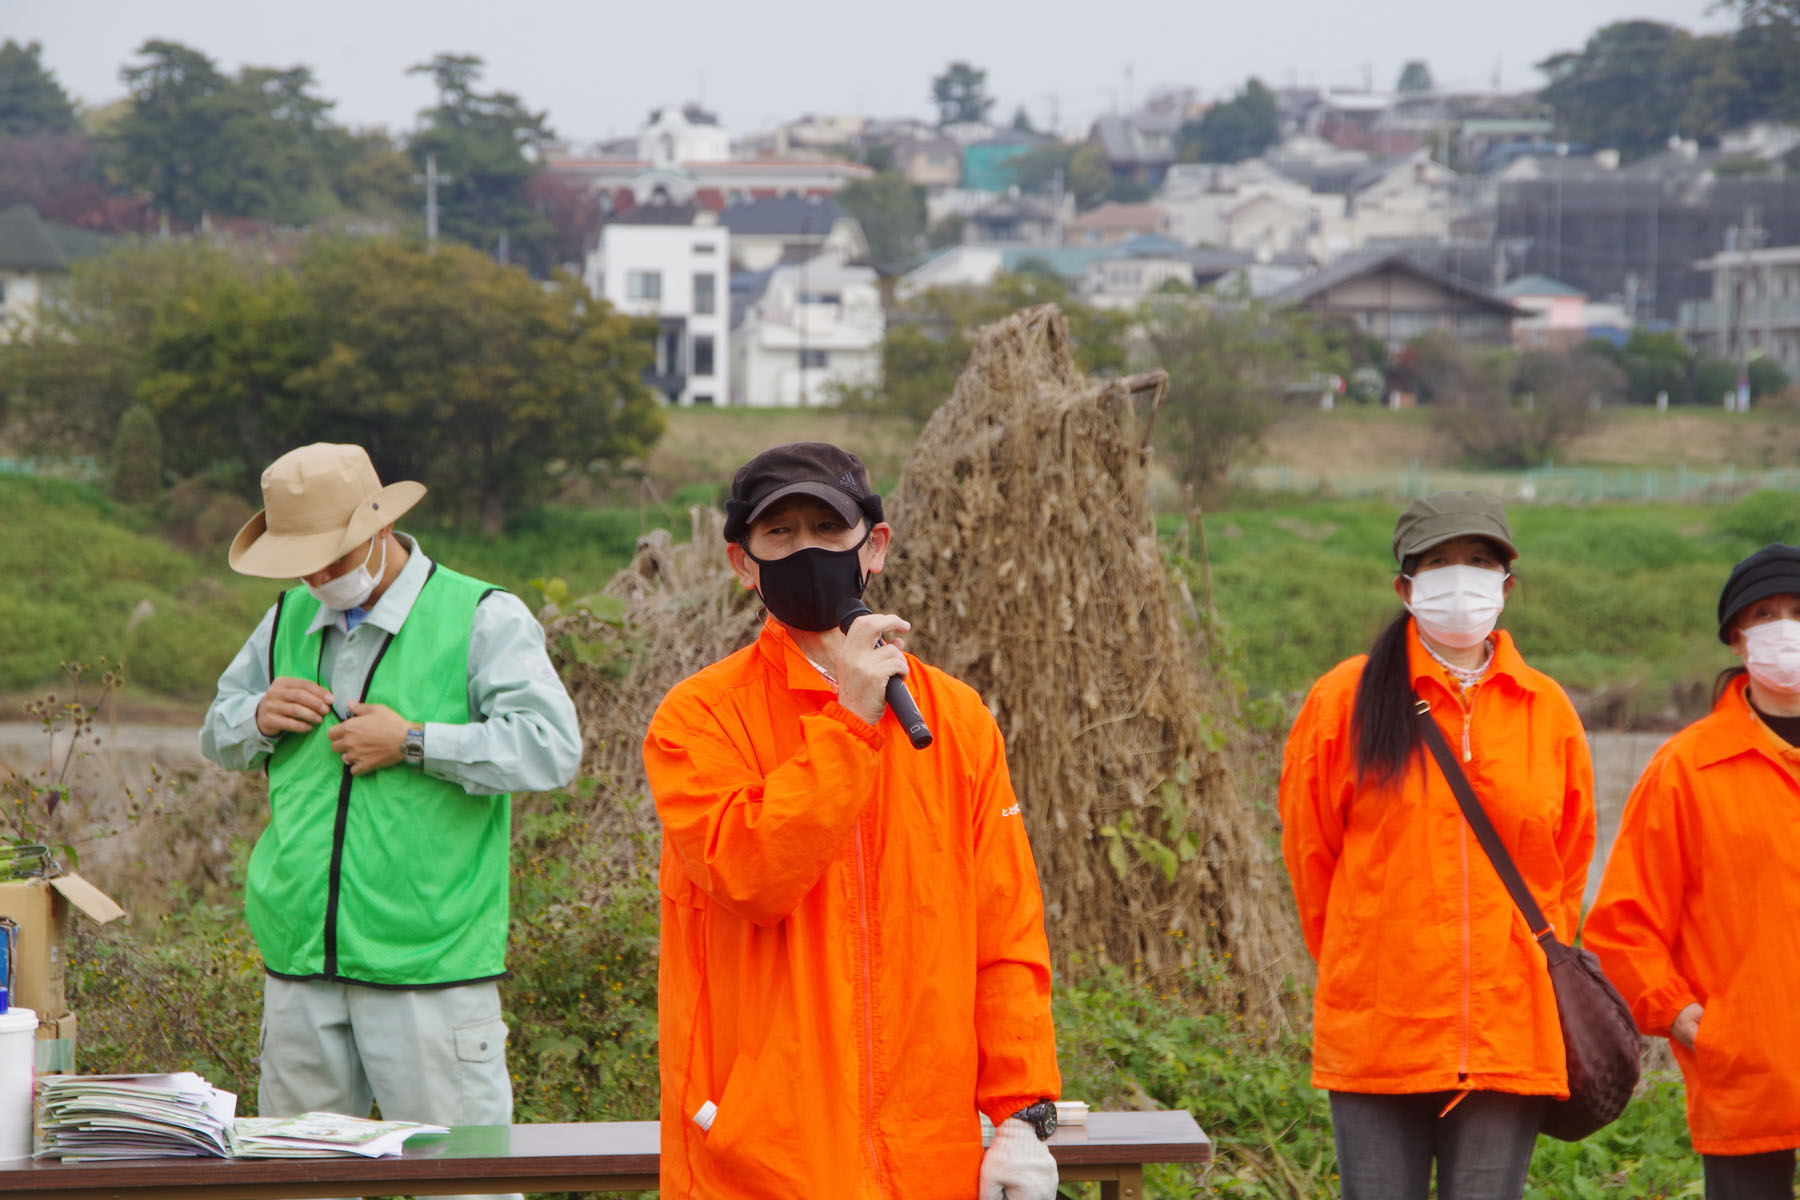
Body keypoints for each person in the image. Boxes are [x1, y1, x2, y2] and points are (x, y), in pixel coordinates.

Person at [643, 442, 1061, 1199]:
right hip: (762, 1157)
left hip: (928, 1153)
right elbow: (751, 874)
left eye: (826, 530)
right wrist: (850, 722)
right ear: (744, 563)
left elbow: (1005, 933)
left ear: (874, 546)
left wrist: (1022, 1116)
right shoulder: (699, 718)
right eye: (780, 535)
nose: (805, 549)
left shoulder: (955, 719)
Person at [200, 443, 580, 1200]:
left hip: (430, 976)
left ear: (378, 529)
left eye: (326, 558)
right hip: (300, 968)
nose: (313, 579)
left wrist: (413, 742)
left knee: (463, 1192)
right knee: (296, 1191)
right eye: (299, 564)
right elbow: (218, 731)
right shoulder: (287, 615)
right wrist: (257, 715)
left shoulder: (482, 616)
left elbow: (550, 751)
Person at [1278, 491, 1596, 1200]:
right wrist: (1369, 967)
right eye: (1439, 563)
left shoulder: (1547, 710)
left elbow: (1567, 869)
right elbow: (1313, 859)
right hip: (1378, 1030)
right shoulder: (1345, 698)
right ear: (1405, 586)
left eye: (1479, 562)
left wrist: (1513, 970)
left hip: (1509, 1034)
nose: (1461, 579)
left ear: (1507, 587)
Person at [1585, 544, 1800, 1200]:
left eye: (1799, 610)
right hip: (1749, 1073)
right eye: (1766, 613)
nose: (1785, 626)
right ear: (1738, 637)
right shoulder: (1687, 768)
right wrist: (1679, 1014)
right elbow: (1623, 923)